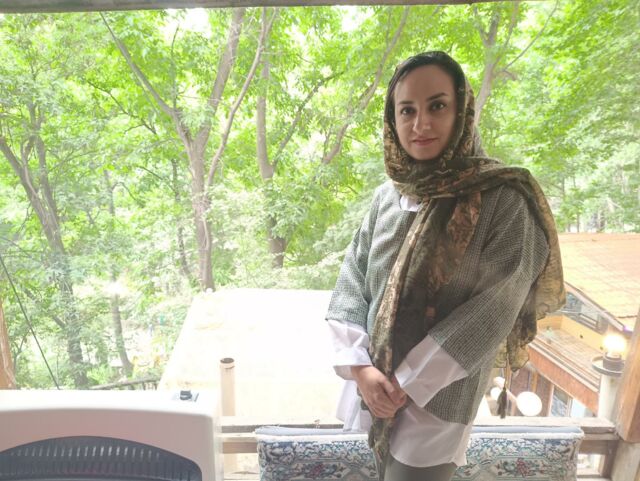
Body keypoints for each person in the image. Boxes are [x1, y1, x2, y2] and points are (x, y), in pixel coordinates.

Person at [325, 51, 565, 481]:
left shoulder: (504, 201)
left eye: (436, 106)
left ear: (461, 110)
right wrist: (361, 370)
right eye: (407, 110)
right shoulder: (388, 197)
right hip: (373, 386)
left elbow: (494, 309)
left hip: (437, 402)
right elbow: (352, 279)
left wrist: (404, 383)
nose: (420, 124)